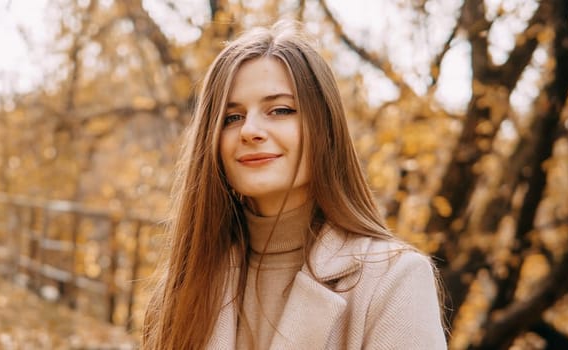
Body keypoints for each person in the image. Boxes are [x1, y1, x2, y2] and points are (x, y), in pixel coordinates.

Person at [141, 20, 447, 349]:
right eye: (232, 117)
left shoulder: (394, 279)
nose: (250, 130)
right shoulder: (184, 289)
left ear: (325, 131)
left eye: (280, 110)